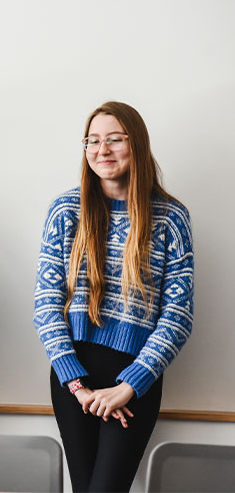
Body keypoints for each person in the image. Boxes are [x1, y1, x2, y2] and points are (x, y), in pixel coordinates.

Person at [34, 101, 194, 492]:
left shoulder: (170, 217)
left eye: (114, 140)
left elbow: (178, 315)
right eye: (92, 141)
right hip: (74, 376)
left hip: (136, 377)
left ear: (136, 144)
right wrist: (78, 386)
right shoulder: (66, 211)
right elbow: (46, 305)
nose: (101, 150)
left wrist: (129, 386)